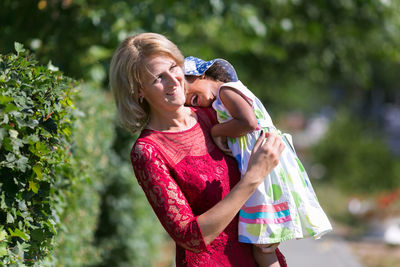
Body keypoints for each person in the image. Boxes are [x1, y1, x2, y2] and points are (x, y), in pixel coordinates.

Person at [109, 32, 288, 267]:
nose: (174, 80)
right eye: (158, 78)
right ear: (138, 91)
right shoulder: (148, 151)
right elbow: (189, 237)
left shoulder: (213, 114)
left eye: (174, 67)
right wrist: (253, 178)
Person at [184, 56, 333, 266]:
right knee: (263, 245)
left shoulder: (226, 90)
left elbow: (248, 122)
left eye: (189, 93)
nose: (191, 101)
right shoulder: (222, 98)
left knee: (264, 244)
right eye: (190, 102)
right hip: (263, 166)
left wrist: (217, 130)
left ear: (200, 74)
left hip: (265, 168)